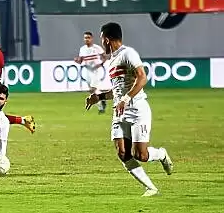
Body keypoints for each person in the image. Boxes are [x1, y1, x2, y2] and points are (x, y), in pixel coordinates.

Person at [85, 22, 173, 197]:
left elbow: (142, 77)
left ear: (107, 40)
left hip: (137, 109)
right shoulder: (111, 61)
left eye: (102, 39)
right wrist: (99, 97)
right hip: (119, 111)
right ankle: (151, 188)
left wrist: (126, 98)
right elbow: (117, 91)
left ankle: (161, 154)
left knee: (141, 155)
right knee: (122, 152)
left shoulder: (128, 53)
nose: (102, 43)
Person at [74, 31, 107, 114]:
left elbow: (104, 57)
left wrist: (100, 64)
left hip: (96, 70)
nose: (87, 39)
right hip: (88, 70)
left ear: (92, 39)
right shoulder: (82, 49)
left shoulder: (97, 48)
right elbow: (81, 61)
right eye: (85, 38)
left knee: (93, 88)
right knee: (91, 90)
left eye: (88, 38)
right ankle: (102, 99)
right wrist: (77, 61)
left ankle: (101, 108)